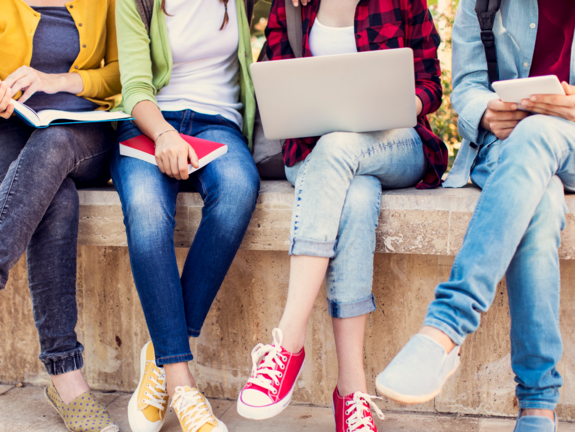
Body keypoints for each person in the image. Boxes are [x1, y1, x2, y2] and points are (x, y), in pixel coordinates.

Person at [236, 0, 446, 430]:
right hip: (312, 155)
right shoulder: (292, 5)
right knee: (355, 194)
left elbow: (430, 84)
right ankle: (351, 391)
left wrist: (401, 101)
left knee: (339, 148)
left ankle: (287, 343)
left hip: (393, 145)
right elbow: (271, 86)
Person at [376, 1, 575, 431]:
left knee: (538, 131)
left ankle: (445, 328)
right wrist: (487, 111)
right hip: (510, 151)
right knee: (540, 203)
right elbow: (465, 86)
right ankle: (538, 406)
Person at [112, 0, 260, 430]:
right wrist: (164, 134)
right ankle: (180, 382)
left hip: (219, 124)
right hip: (150, 124)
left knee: (236, 191)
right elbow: (136, 88)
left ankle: (162, 354)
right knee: (145, 210)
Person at [0, 0, 121, 430]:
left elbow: (120, 73)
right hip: (14, 127)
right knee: (57, 197)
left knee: (52, 149)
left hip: (82, 129)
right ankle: (66, 376)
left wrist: (54, 80)